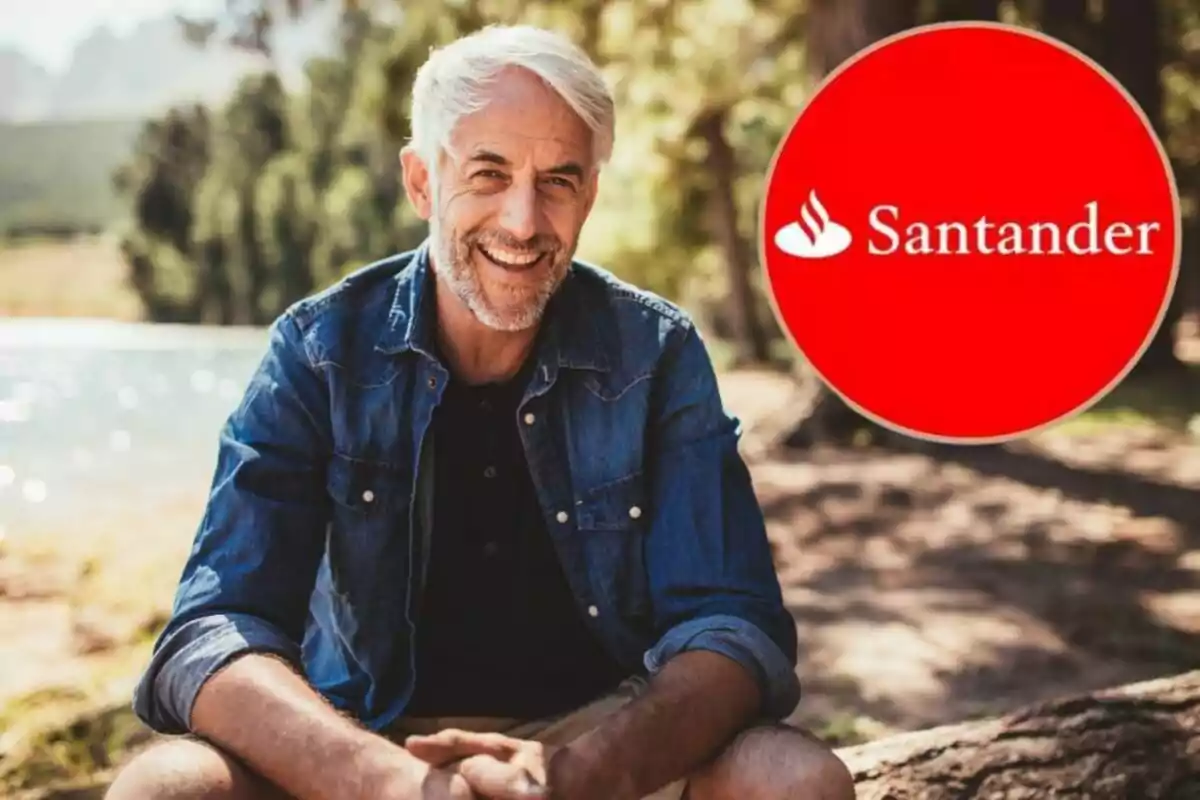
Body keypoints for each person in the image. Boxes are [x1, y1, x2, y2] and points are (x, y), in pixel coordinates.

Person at [106, 23, 856, 800]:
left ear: (590, 194)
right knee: (167, 787)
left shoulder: (656, 353)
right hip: (363, 741)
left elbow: (734, 629)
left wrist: (568, 776)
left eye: (559, 180)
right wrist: (395, 784)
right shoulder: (319, 351)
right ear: (422, 181)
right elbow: (213, 629)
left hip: (602, 742)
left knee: (791, 780)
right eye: (489, 174)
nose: (524, 222)